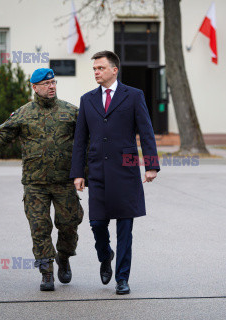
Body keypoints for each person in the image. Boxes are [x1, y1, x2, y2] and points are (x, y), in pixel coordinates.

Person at [0, 68, 84, 292]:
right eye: (46, 84)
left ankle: (64, 256)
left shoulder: (71, 112)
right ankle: (46, 272)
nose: (51, 86)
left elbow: (87, 142)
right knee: (39, 228)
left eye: (54, 82)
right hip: (35, 184)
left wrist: (87, 171)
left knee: (69, 224)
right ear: (35, 87)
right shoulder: (23, 114)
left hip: (64, 181)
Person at [70, 51, 160, 295]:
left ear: (114, 69)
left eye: (100, 68)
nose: (96, 72)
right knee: (97, 223)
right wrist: (78, 173)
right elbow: (80, 140)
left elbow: (146, 131)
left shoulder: (133, 96)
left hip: (125, 171)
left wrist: (151, 165)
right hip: (97, 171)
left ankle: (122, 278)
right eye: (94, 69)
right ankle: (105, 254)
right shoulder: (87, 100)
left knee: (124, 229)